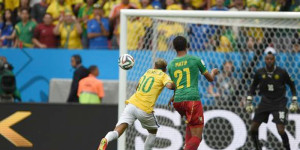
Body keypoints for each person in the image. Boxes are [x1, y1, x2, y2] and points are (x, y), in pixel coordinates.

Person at [97, 58, 175, 150]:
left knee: (118, 129)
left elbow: (137, 86)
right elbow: (170, 86)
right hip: (145, 108)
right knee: (153, 131)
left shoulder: (148, 72)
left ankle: (106, 139)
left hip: (131, 104)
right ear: (165, 69)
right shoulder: (163, 75)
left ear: (154, 66)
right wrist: (176, 83)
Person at [168, 36, 219, 150]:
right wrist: (213, 72)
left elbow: (175, 85)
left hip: (178, 102)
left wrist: (173, 96)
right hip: (192, 100)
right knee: (197, 137)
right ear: (187, 45)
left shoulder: (171, 65)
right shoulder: (195, 60)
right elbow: (210, 78)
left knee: (190, 126)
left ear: (174, 48)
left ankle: (187, 146)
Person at [246, 51, 298, 150]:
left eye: (271, 59)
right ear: (265, 60)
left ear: (274, 60)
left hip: (279, 103)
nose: (269, 61)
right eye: (267, 59)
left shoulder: (282, 72)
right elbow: (253, 87)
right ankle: (258, 148)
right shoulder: (259, 73)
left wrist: (294, 100)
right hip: (265, 102)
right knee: (253, 128)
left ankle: (288, 149)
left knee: (281, 130)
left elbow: (292, 85)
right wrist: (249, 101)